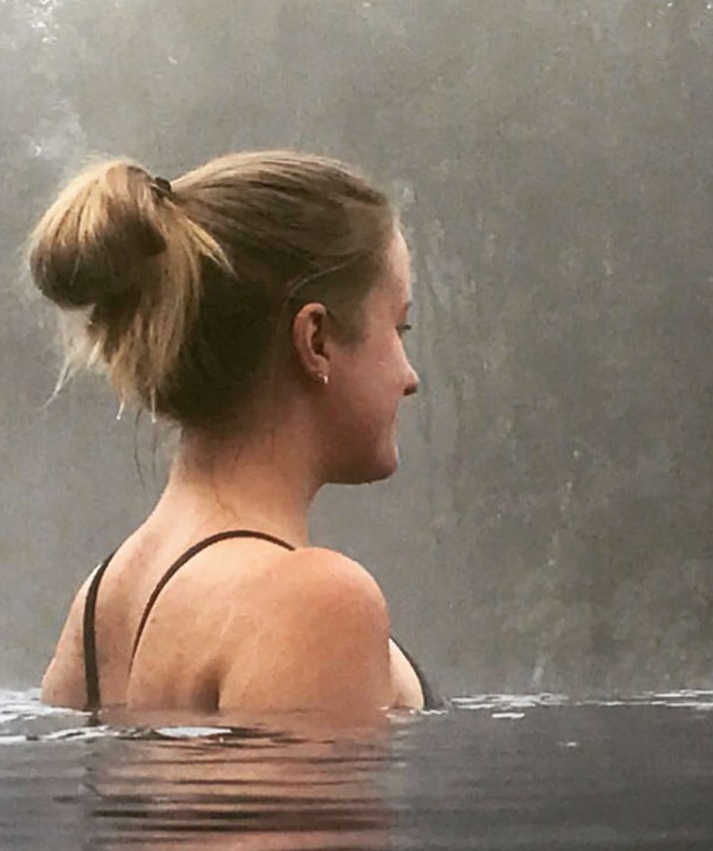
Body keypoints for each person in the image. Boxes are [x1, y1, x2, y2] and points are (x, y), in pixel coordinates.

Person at [29, 149, 430, 717]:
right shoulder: (311, 601)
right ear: (316, 340)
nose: (410, 377)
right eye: (399, 327)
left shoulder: (99, 604)